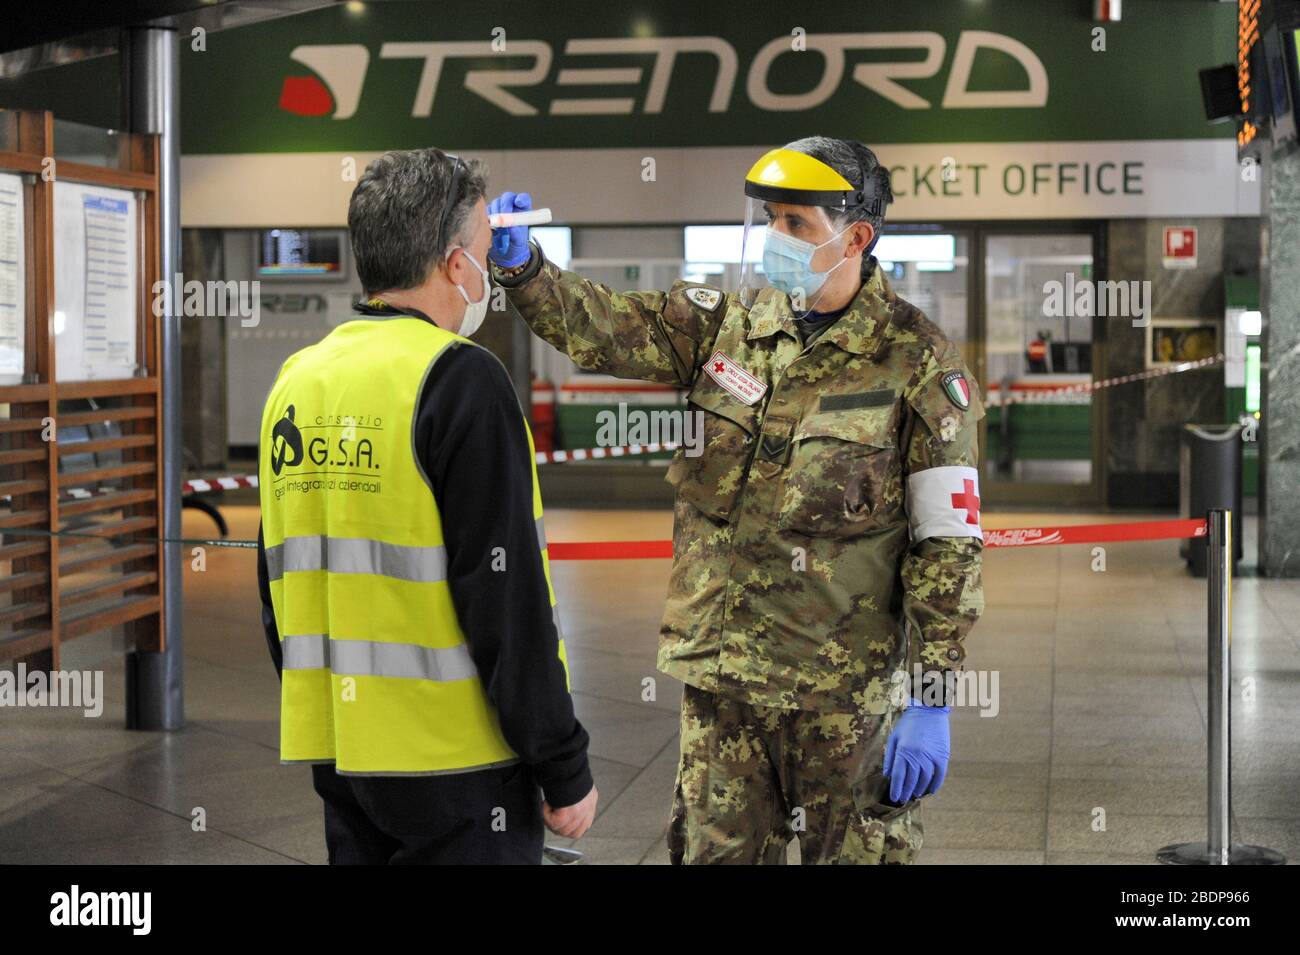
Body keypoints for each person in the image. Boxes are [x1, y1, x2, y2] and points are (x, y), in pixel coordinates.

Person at [487, 136, 984, 864]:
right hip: (725, 693)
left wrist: (932, 695)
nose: (776, 239)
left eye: (796, 224)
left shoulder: (918, 360)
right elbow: (610, 329)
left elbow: (948, 544)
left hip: (843, 705)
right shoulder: (728, 327)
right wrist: (525, 269)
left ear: (857, 236)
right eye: (771, 220)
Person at [256, 147, 597, 865]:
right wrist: (561, 763)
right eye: (480, 251)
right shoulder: (461, 380)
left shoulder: (299, 378)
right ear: (452, 264)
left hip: (344, 752)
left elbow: (274, 582)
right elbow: (505, 596)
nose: (485, 272)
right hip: (457, 760)